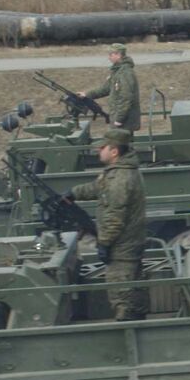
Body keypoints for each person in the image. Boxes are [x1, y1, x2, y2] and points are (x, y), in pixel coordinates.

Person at [66, 129, 148, 321]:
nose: (98, 151)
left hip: (122, 245)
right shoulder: (118, 173)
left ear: (114, 152)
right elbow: (98, 188)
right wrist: (73, 193)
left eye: (102, 148)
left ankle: (129, 331)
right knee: (133, 287)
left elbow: (115, 217)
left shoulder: (120, 178)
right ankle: (136, 319)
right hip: (129, 241)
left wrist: (104, 243)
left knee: (121, 295)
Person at [80, 42, 142, 130]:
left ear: (118, 55)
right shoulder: (117, 71)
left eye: (111, 54)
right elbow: (106, 89)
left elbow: (126, 97)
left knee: (120, 142)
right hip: (119, 119)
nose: (109, 57)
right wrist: (87, 94)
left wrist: (119, 119)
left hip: (124, 122)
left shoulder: (125, 73)